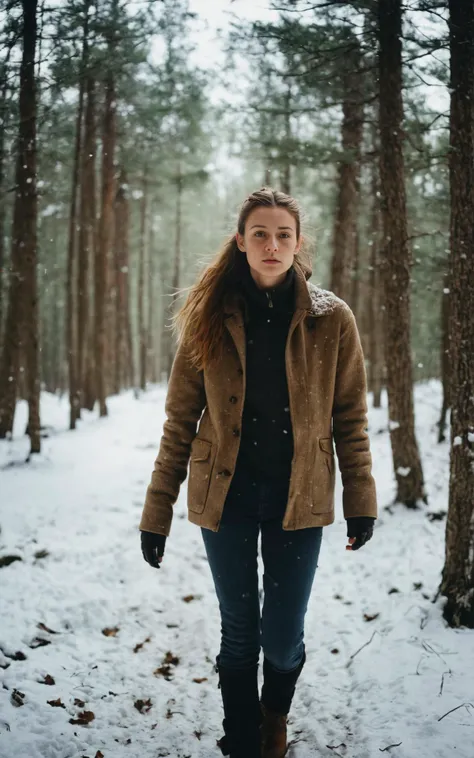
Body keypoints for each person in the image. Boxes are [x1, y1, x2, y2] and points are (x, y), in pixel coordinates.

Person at [139, 187, 377, 758]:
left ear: (298, 245)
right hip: (227, 498)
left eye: (284, 235)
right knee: (239, 628)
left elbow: (351, 416)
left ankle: (276, 716)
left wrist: (361, 499)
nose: (272, 245)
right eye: (261, 234)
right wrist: (157, 513)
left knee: (282, 634)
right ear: (242, 241)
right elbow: (178, 422)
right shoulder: (208, 317)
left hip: (303, 497)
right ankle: (245, 733)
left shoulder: (332, 318)